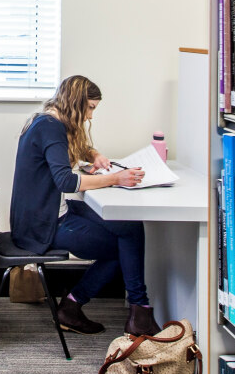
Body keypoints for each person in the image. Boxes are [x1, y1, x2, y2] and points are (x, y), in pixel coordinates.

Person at [10, 75, 160, 337]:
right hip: (43, 225)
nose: (90, 116)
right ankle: (79, 306)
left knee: (130, 228)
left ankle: (139, 309)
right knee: (121, 249)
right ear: (76, 103)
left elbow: (66, 153)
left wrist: (93, 155)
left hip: (40, 214)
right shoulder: (51, 128)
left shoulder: (45, 119)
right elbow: (66, 181)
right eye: (89, 108)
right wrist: (115, 178)